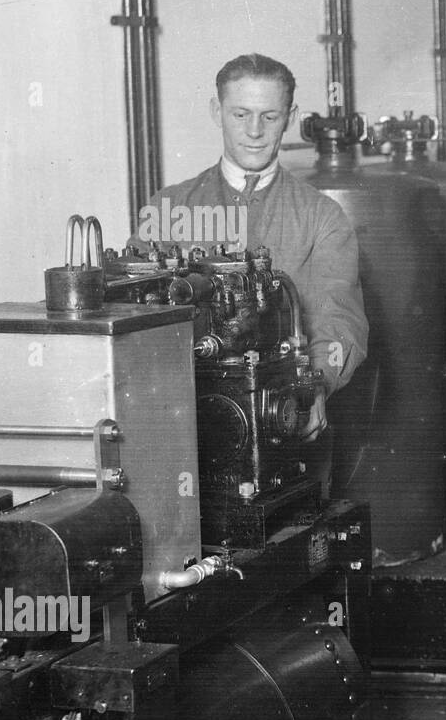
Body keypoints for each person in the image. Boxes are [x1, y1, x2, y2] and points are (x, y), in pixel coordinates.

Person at [140, 53, 368, 441]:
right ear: (217, 111)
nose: (255, 131)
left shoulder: (322, 216)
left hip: (283, 424)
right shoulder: (169, 208)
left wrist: (314, 386)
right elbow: (133, 312)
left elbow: (339, 321)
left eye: (270, 116)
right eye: (240, 114)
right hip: (183, 423)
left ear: (291, 118)